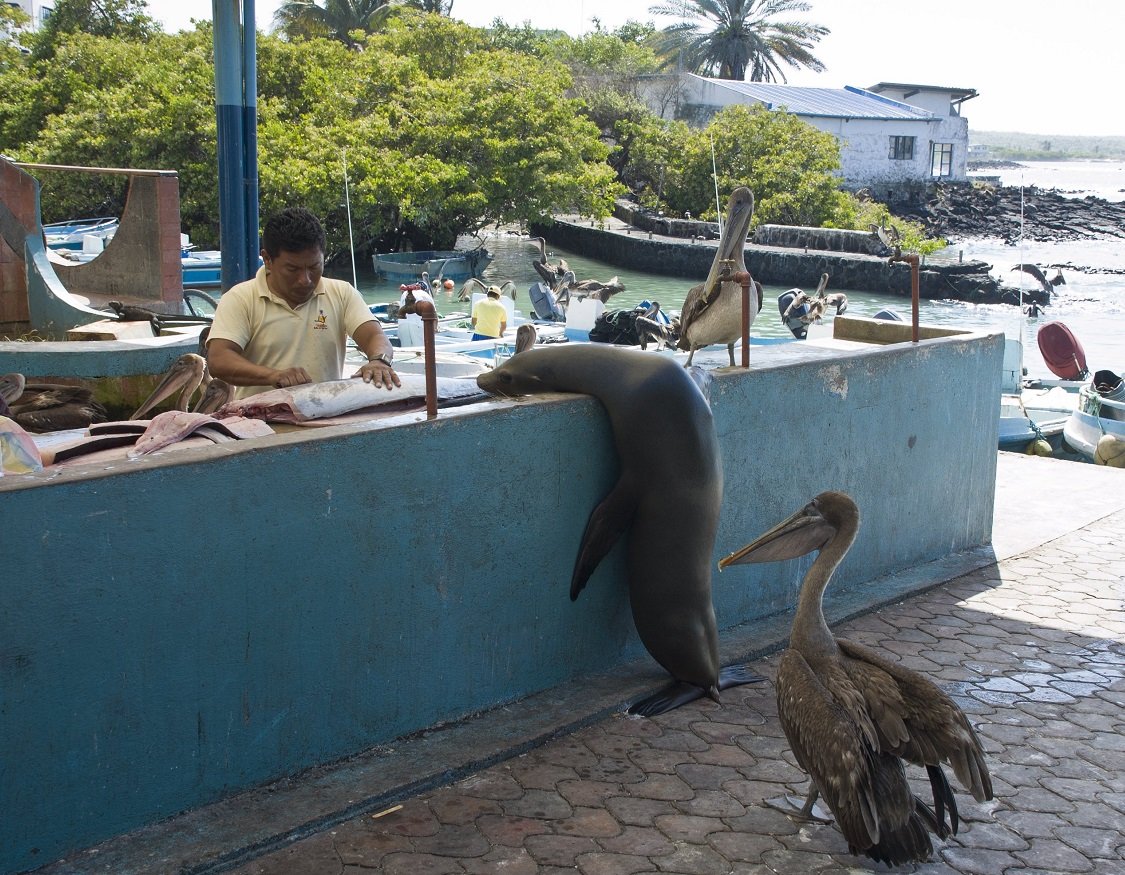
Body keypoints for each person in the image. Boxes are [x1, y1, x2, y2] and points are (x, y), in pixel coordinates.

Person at [207, 207, 400, 399]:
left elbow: (375, 335)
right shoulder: (240, 299)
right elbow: (219, 359)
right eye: (292, 269)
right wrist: (273, 376)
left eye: (314, 267)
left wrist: (379, 360)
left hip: (324, 419)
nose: (305, 279)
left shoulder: (342, 293)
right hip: (258, 423)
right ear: (267, 259)